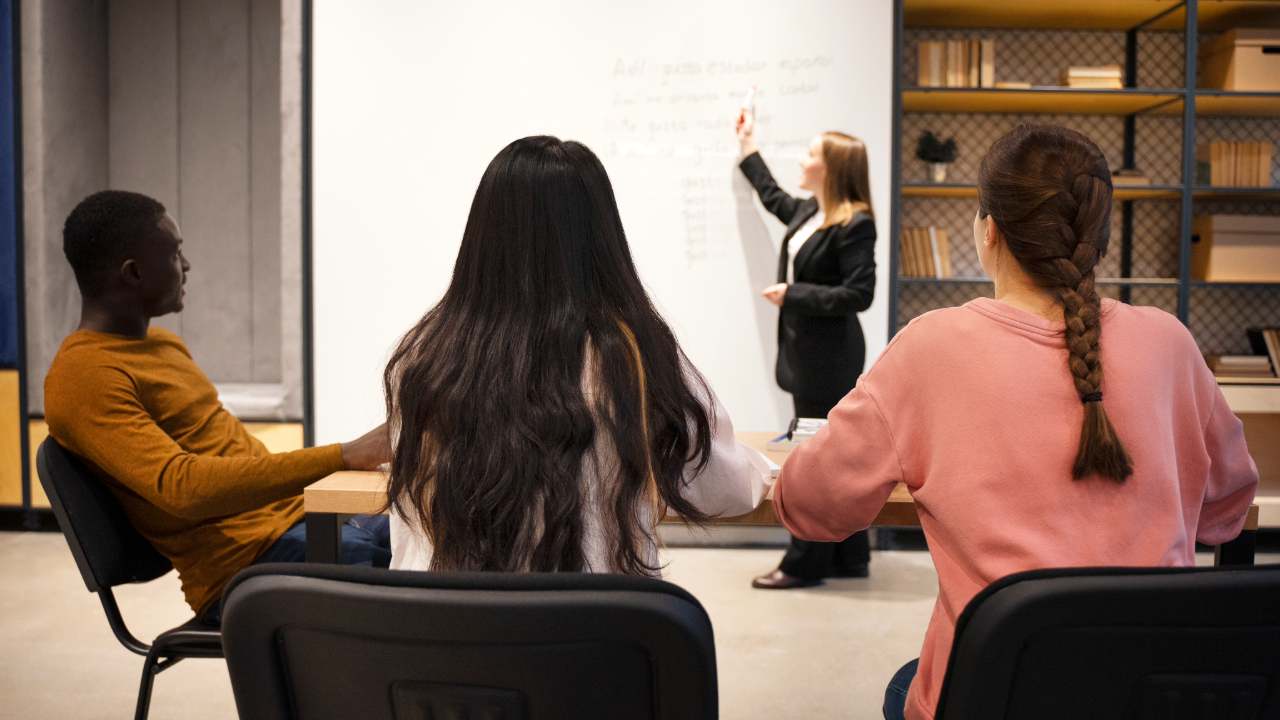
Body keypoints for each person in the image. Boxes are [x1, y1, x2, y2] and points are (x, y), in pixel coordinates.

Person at [771, 125, 1259, 720]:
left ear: (989, 230)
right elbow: (1227, 513)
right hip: (1153, 692)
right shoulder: (1170, 342)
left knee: (909, 684)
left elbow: (810, 506)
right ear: (1098, 234)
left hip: (995, 692)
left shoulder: (933, 346)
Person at [385, 136, 772, 573]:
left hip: (440, 630)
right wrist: (762, 468)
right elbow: (722, 487)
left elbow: (407, 536)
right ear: (602, 239)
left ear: (482, 235)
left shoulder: (426, 357)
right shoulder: (632, 354)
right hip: (593, 633)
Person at [44, 190, 393, 623]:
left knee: (455, 537)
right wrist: (341, 455)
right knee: (438, 593)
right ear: (133, 273)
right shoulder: (84, 376)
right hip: (246, 571)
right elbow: (182, 489)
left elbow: (230, 455)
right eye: (174, 255)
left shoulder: (164, 345)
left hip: (300, 527)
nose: (186, 267)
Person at [735, 108, 877, 589]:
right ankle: (850, 555)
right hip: (805, 355)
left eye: (812, 154)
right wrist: (748, 147)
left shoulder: (854, 223)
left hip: (830, 359)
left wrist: (793, 294)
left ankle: (805, 562)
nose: (803, 158)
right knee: (833, 456)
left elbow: (861, 294)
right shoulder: (810, 212)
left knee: (815, 460)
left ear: (832, 168)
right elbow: (773, 196)